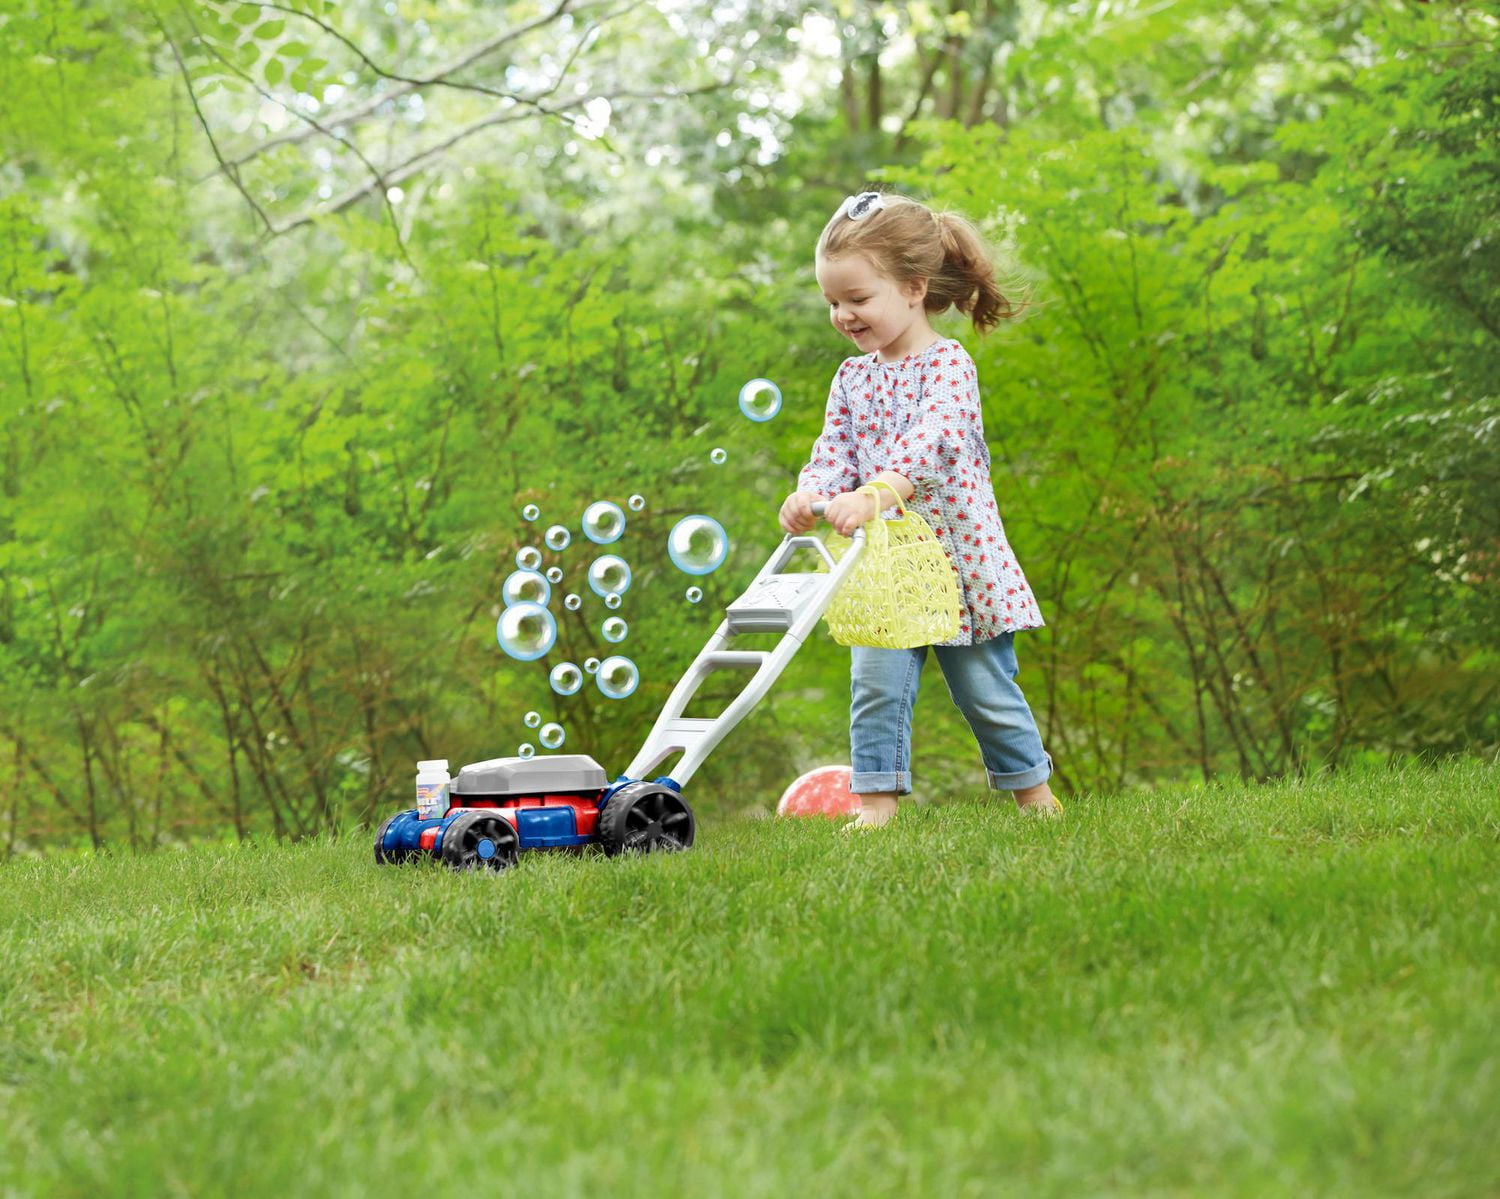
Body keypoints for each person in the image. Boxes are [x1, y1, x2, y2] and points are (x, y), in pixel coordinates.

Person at [779, 189, 1062, 829]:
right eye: (833, 302)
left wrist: (874, 494)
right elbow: (835, 450)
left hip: (960, 567)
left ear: (912, 288)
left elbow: (931, 445)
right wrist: (813, 494)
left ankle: (1036, 801)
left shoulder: (948, 366)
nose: (843, 315)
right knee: (874, 687)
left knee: (986, 692)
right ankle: (875, 808)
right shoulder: (852, 379)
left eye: (857, 299)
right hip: (888, 572)